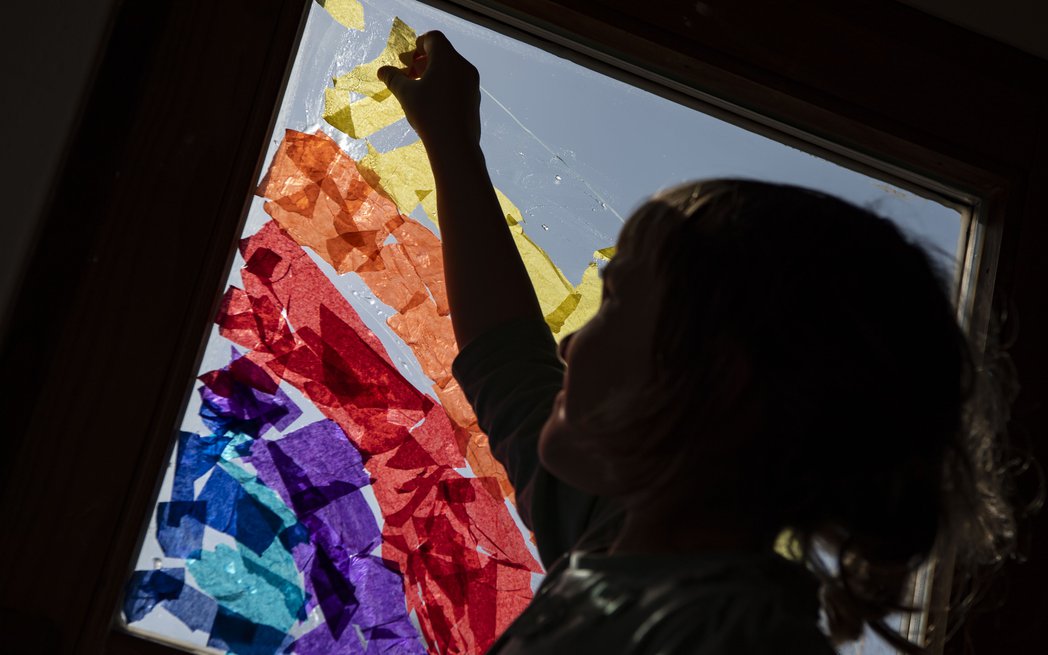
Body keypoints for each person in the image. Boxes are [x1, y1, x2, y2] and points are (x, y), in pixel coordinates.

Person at [377, 32, 1021, 654]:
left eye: (615, 304)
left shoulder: (734, 637)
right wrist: (451, 140)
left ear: (720, 376)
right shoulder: (608, 540)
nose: (568, 345)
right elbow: (506, 354)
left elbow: (508, 359)